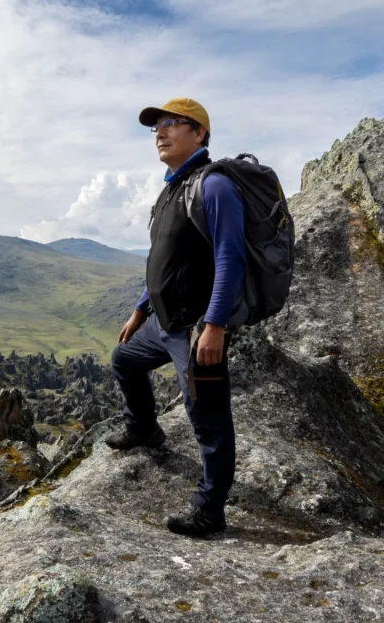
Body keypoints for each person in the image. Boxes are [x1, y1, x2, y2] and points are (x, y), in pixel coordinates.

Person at [105, 97, 245, 538]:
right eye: (156, 127)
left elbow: (230, 257)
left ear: (199, 133)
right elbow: (165, 260)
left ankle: (210, 510)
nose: (160, 133)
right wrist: (140, 309)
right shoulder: (173, 189)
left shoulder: (215, 186)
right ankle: (144, 429)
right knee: (124, 359)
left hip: (195, 329)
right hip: (163, 324)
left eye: (172, 124)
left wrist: (216, 325)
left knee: (209, 421)